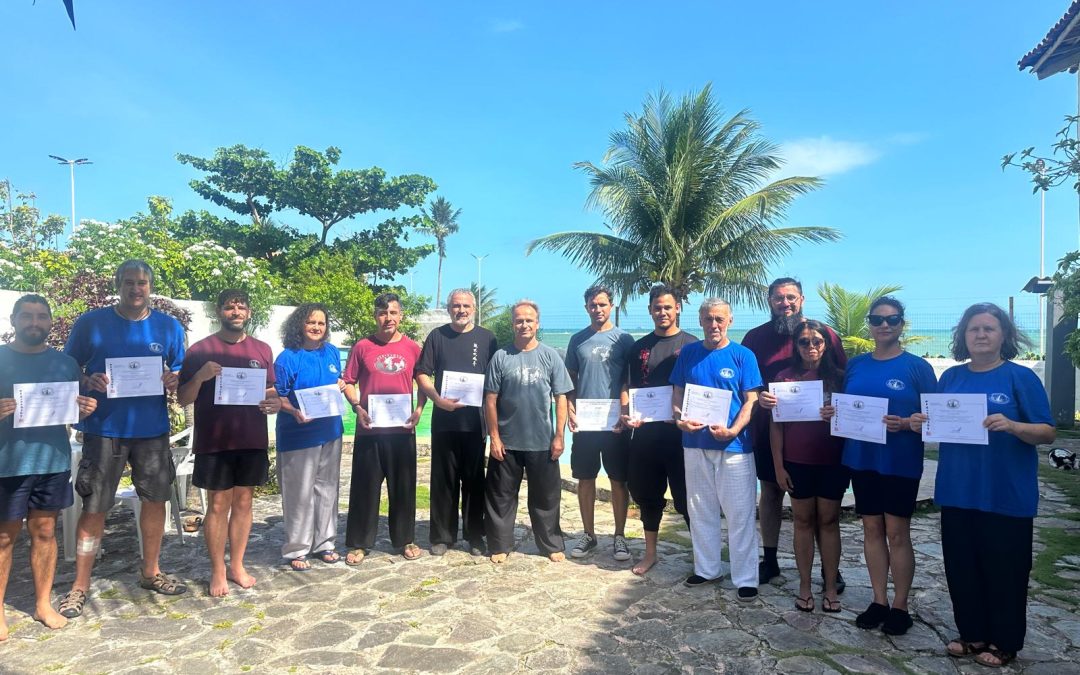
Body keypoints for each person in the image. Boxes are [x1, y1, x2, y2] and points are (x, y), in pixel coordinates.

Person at [910, 303, 1054, 668]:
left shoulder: (1021, 378)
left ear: (1004, 335)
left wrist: (1014, 426)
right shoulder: (952, 378)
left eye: (989, 328)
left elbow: (1047, 432)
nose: (981, 335)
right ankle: (971, 633)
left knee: (1006, 569)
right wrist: (920, 421)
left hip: (1006, 493)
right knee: (962, 566)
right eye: (974, 329)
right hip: (958, 489)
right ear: (963, 336)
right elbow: (938, 426)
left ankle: (1005, 641)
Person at [59, 260, 187, 619]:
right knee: (95, 507)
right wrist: (87, 381)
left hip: (152, 430)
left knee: (154, 501)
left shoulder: (168, 326)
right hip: (104, 430)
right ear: (118, 285)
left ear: (151, 287)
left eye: (142, 283)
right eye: (129, 282)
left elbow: (179, 368)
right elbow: (68, 366)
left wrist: (173, 378)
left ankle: (151, 571)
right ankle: (79, 586)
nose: (136, 289)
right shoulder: (91, 323)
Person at [0, 295, 97, 639]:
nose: (34, 323)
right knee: (3, 539)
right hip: (6, 464)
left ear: (50, 322)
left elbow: (69, 411)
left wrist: (81, 410)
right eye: (27, 316)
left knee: (45, 533)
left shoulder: (66, 363)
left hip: (51, 461)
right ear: (13, 320)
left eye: (42, 317)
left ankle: (43, 603)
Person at [839, 297, 936, 634]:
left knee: (897, 533)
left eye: (892, 319)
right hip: (862, 459)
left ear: (901, 324)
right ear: (869, 324)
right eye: (877, 319)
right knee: (871, 530)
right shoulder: (856, 365)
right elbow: (846, 406)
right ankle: (879, 599)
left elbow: (937, 418)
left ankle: (900, 605)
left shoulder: (917, 368)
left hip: (900, 461)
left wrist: (909, 423)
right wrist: (832, 413)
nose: (884, 325)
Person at [743, 277, 847, 589]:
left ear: (801, 299)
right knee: (771, 492)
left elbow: (843, 379)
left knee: (820, 508)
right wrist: (759, 397)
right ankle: (770, 559)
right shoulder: (755, 338)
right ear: (770, 301)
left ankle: (830, 569)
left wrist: (837, 408)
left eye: (790, 297)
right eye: (778, 298)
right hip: (769, 429)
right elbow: (746, 382)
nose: (784, 303)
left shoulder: (825, 333)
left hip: (821, 437)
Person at [177, 289, 281, 596]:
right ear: (219, 312)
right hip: (215, 441)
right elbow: (183, 397)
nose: (235, 311)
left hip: (251, 437)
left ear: (248, 313)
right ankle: (217, 570)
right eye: (229, 307)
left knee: (245, 502)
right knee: (218, 505)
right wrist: (200, 376)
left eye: (241, 307)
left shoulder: (262, 349)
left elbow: (270, 389)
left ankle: (237, 565)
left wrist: (272, 402)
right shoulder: (199, 350)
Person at [671, 298, 762, 602]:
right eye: (709, 319)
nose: (714, 325)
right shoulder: (689, 354)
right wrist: (679, 420)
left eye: (720, 319)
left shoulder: (743, 356)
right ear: (700, 321)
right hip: (694, 445)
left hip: (734, 445)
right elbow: (678, 393)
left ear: (730, 321)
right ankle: (708, 569)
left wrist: (735, 430)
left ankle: (746, 577)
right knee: (700, 510)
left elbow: (751, 400)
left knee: (740, 513)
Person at [484, 300, 573, 563]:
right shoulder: (501, 357)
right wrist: (494, 437)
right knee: (501, 498)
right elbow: (490, 399)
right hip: (507, 443)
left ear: (537, 323)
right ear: (513, 324)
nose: (524, 324)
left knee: (546, 498)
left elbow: (561, 398)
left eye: (529, 320)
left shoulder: (550, 356)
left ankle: (550, 544)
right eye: (519, 320)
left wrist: (559, 436)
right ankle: (500, 544)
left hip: (542, 442)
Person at [770, 320, 847, 613]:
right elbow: (775, 426)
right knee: (802, 523)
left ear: (826, 345)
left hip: (832, 462)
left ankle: (829, 587)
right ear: (796, 346)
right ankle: (804, 586)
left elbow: (855, 417)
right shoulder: (784, 378)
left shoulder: (840, 378)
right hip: (797, 462)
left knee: (828, 522)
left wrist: (837, 415)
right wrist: (778, 467)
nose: (811, 346)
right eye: (804, 342)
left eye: (817, 341)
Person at [342, 293, 426, 564]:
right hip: (370, 429)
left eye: (393, 313)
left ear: (400, 315)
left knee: (403, 487)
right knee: (365, 487)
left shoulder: (413, 348)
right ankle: (358, 542)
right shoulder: (362, 347)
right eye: (382, 313)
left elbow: (423, 382)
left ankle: (405, 539)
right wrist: (357, 407)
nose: (387, 318)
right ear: (375, 316)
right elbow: (348, 381)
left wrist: (419, 410)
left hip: (402, 431)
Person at [621, 285, 696, 576]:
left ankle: (700, 556)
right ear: (650, 309)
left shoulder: (691, 345)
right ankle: (650, 554)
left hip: (680, 437)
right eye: (657, 307)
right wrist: (627, 413)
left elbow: (701, 388)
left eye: (668, 307)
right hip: (646, 435)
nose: (662, 312)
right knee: (646, 495)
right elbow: (627, 387)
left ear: (678, 308)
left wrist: (683, 414)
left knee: (687, 498)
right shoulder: (638, 347)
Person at [416, 289, 497, 557]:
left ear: (474, 308)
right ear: (448, 308)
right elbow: (422, 374)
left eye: (465, 305)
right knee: (443, 481)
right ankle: (442, 536)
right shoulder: (437, 336)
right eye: (455, 306)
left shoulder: (487, 338)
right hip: (444, 421)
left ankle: (475, 536)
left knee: (474, 482)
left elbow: (495, 381)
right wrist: (437, 400)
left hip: (476, 424)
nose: (461, 310)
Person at [565, 285, 636, 561]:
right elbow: (570, 378)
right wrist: (570, 407)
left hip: (615, 423)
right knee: (585, 478)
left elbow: (629, 380)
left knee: (619, 479)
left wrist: (625, 410)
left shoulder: (624, 339)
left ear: (611, 306)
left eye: (603, 304)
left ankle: (619, 536)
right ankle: (588, 534)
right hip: (585, 422)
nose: (598, 309)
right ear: (586, 308)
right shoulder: (577, 340)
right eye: (593, 305)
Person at [273, 303, 345, 571]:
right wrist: (293, 411)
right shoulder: (287, 358)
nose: (316, 328)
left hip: (330, 431)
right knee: (299, 493)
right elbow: (276, 395)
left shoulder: (332, 352)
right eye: (311, 323)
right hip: (298, 434)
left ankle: (325, 543)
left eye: (321, 323)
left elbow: (337, 384)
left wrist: (341, 385)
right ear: (299, 325)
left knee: (327, 490)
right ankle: (297, 548)